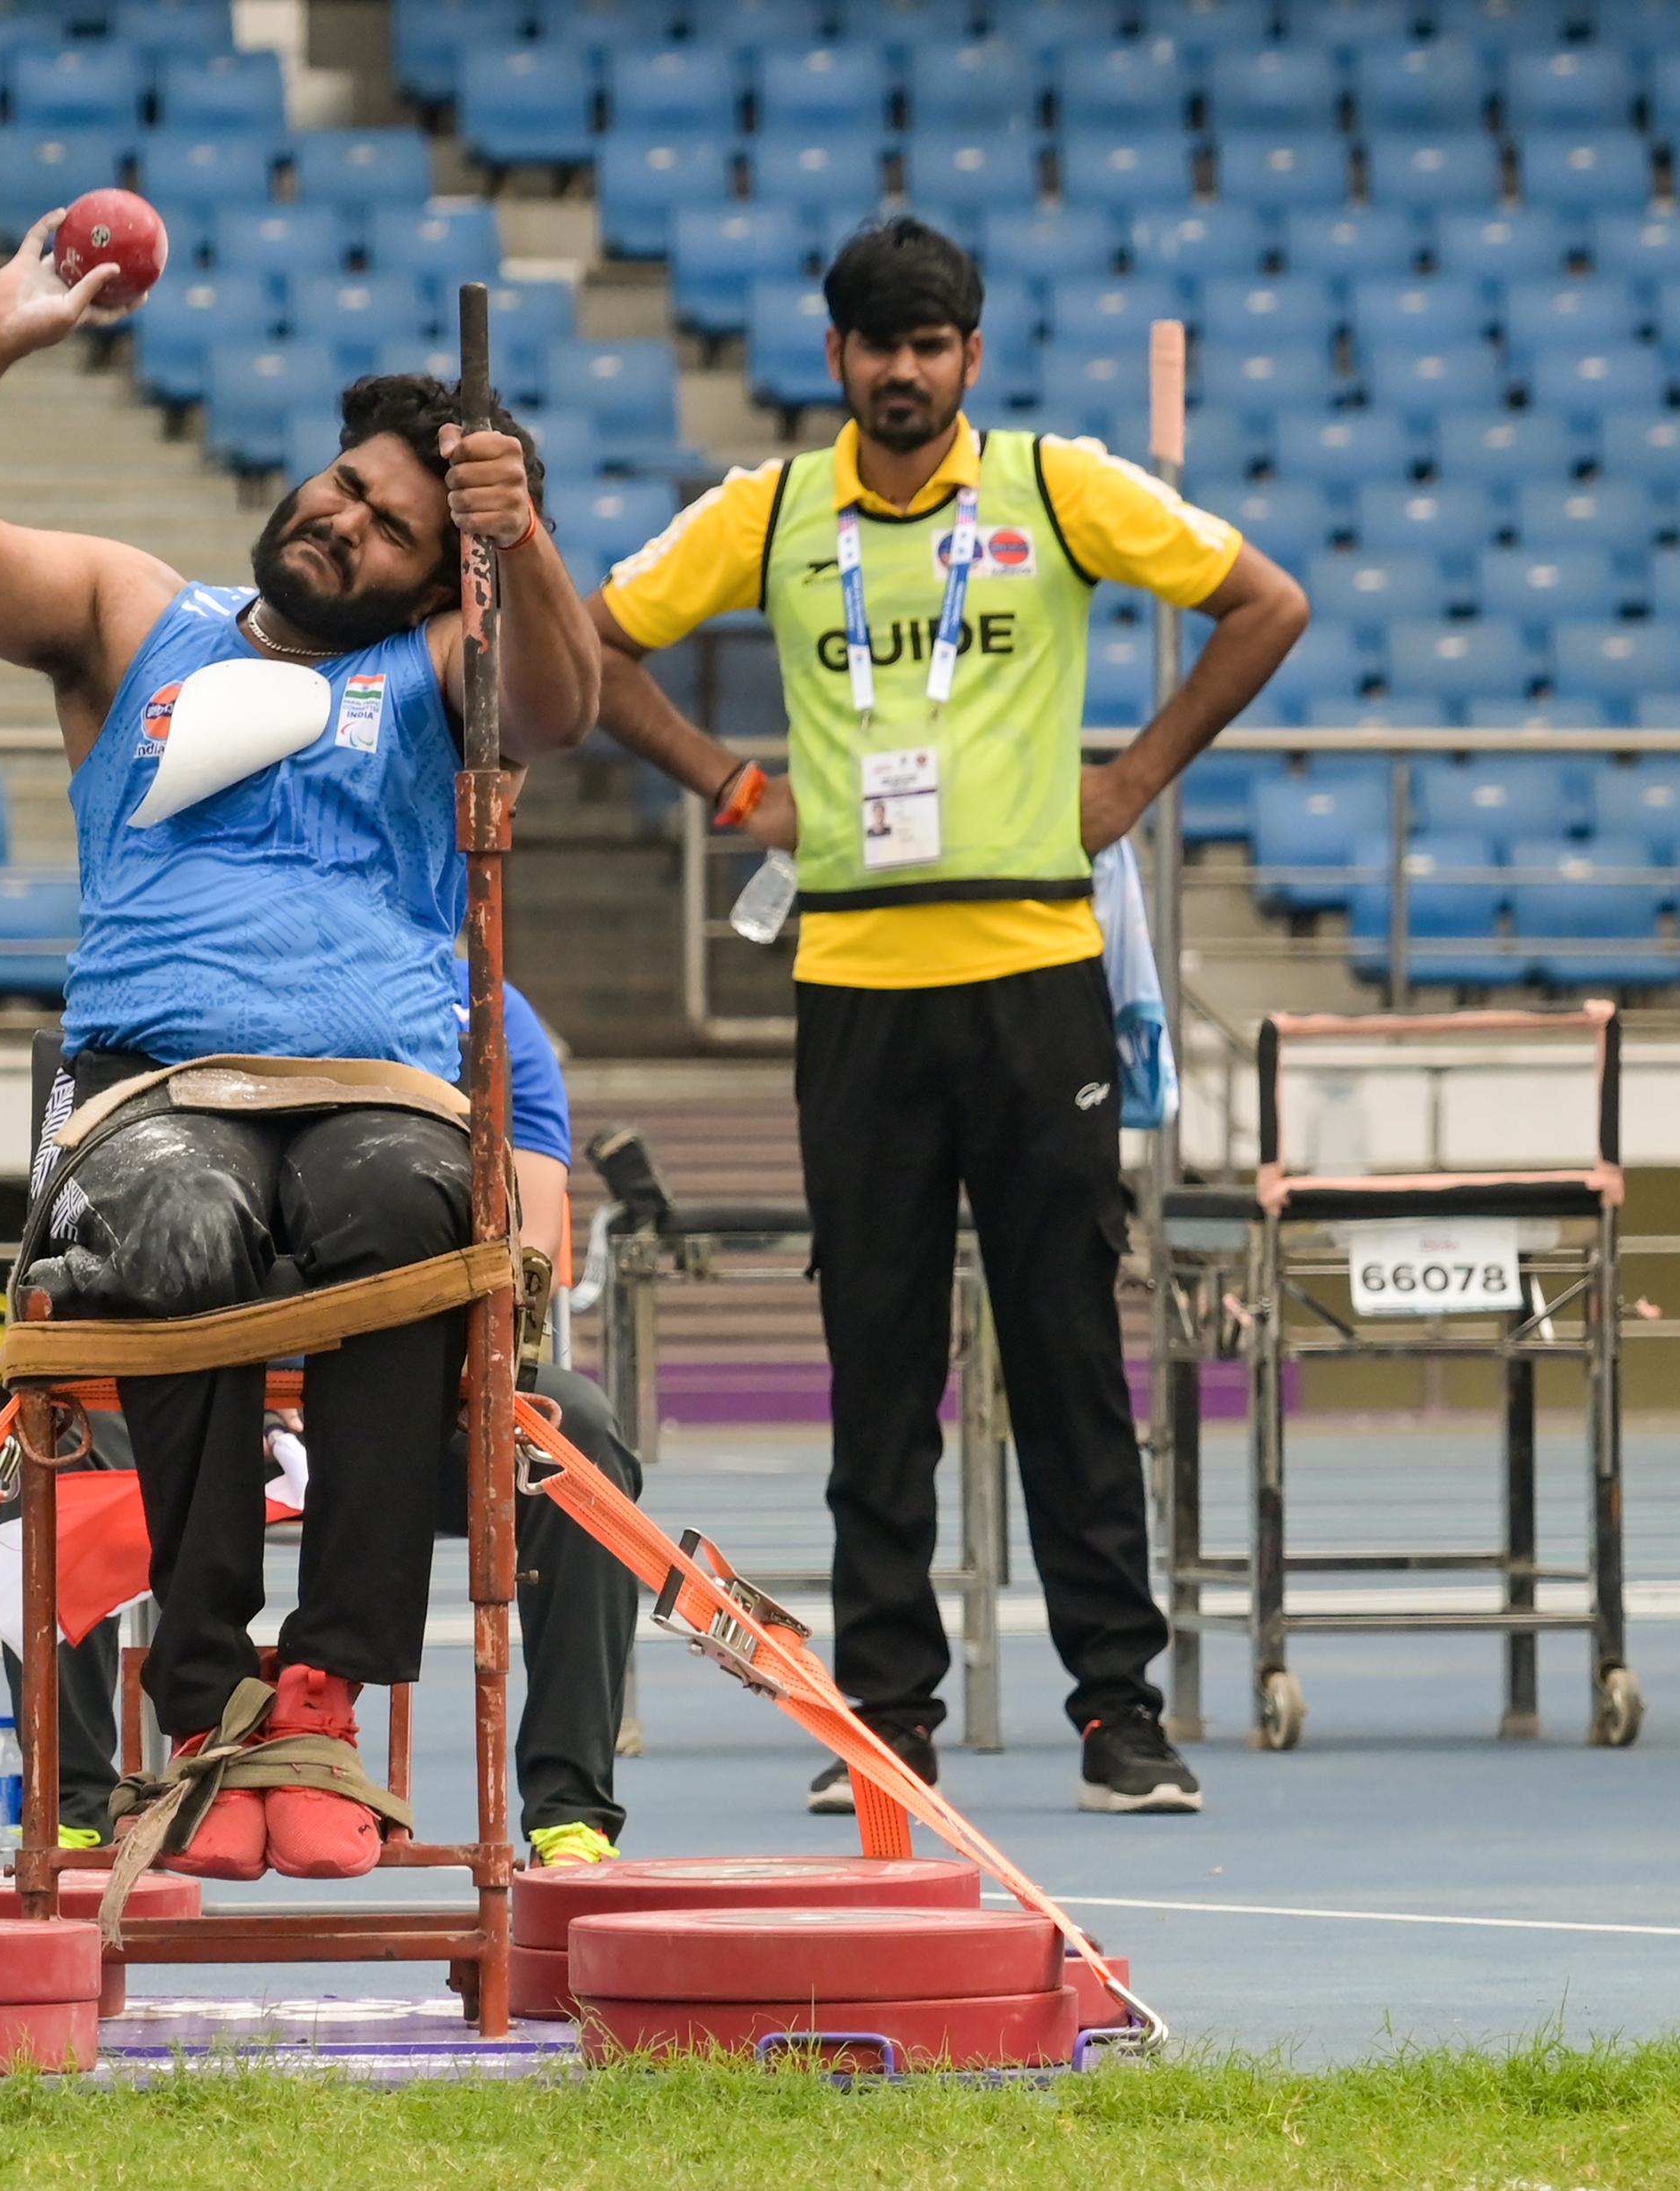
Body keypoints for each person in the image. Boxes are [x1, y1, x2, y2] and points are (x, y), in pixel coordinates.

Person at [0, 214, 600, 1880]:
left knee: (415, 1216)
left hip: (375, 1086)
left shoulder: (438, 661)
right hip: (151, 1086)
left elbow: (556, 707)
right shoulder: (133, 613)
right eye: (344, 486)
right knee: (177, 1231)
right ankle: (204, 1698)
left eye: (397, 524)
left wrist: (515, 543)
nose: (348, 519)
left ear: (427, 570)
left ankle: (319, 1688)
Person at [586, 218, 1311, 1817]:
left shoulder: (1058, 489)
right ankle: (888, 1718)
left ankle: (1119, 1710)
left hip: (1035, 974)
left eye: (931, 344)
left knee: (1065, 1351)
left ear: (971, 357)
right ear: (833, 356)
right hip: (856, 983)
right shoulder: (772, 512)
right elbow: (594, 644)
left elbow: (1269, 602)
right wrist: (727, 782)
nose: (902, 370)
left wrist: (1130, 781)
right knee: (877, 1365)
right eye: (874, 343)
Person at [10, 982, 649, 1870]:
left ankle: (570, 1815)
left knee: (575, 1431)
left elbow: (522, 1251)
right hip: (198, 1388)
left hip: (398, 1394)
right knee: (54, 1441)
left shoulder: (484, 1018)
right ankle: (73, 1809)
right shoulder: (168, 992)